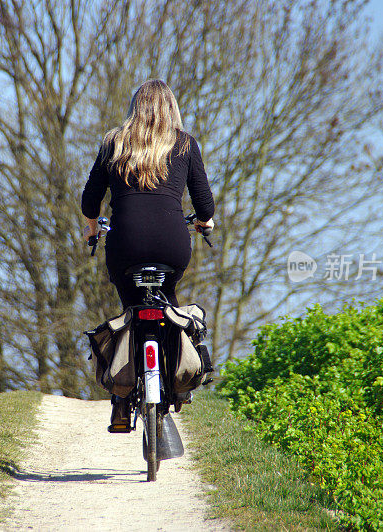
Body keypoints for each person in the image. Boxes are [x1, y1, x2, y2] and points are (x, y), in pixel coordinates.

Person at [80, 79, 215, 432]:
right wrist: (205, 223)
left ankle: (122, 400)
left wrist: (92, 228)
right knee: (168, 307)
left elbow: (89, 202)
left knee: (131, 311)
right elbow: (205, 205)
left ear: (134, 108)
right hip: (171, 244)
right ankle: (180, 380)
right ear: (172, 109)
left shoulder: (114, 143)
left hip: (125, 245)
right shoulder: (185, 144)